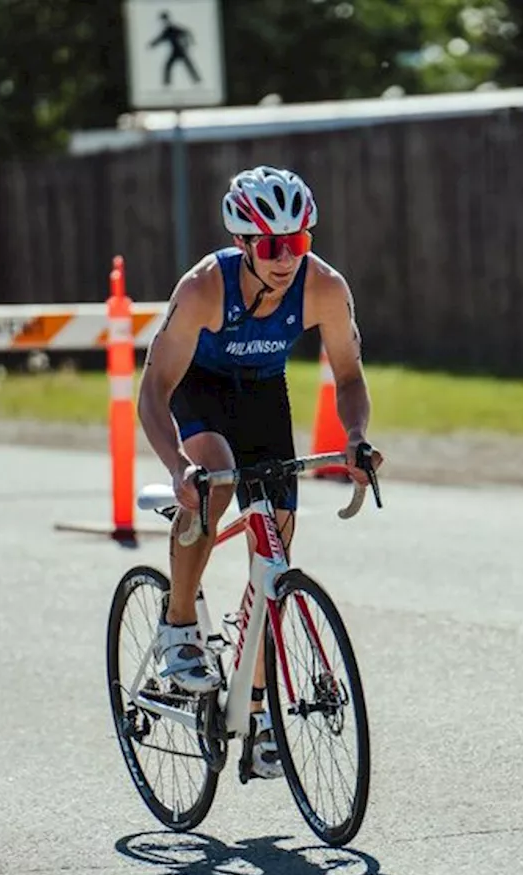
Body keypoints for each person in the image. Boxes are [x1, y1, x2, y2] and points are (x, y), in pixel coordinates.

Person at [136, 164, 384, 780]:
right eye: (272, 246)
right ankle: (180, 624)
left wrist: (355, 439)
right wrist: (178, 469)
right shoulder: (202, 289)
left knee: (273, 555)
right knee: (213, 481)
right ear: (244, 242)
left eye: (298, 243)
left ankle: (256, 710)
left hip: (263, 396)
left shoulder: (324, 286)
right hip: (199, 390)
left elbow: (349, 378)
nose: (286, 258)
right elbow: (153, 390)